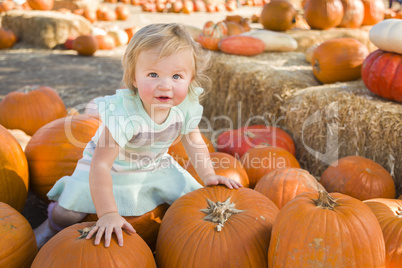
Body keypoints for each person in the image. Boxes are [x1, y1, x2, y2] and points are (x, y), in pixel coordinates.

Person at [34, 23, 242, 249]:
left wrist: (209, 175)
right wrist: (108, 214)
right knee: (70, 212)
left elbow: (193, 142)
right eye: (153, 74)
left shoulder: (185, 105)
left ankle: (173, 247)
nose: (165, 85)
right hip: (109, 168)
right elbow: (100, 165)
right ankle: (50, 227)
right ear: (134, 78)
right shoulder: (124, 113)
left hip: (153, 164)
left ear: (190, 79)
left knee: (190, 201)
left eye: (176, 76)